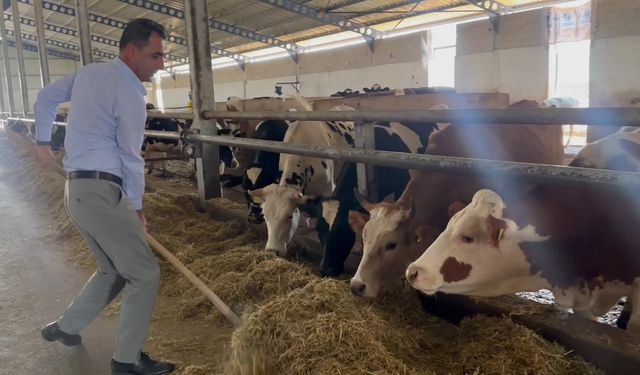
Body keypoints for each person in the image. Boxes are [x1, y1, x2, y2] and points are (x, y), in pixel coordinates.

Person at [33, 18, 175, 375]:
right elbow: (130, 155)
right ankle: (126, 361)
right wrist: (137, 205)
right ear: (131, 50)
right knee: (143, 274)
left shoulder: (88, 73)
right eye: (156, 56)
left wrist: (42, 141)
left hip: (77, 189)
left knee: (112, 269)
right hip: (102, 191)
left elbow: (46, 97)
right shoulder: (128, 92)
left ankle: (66, 328)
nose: (161, 65)